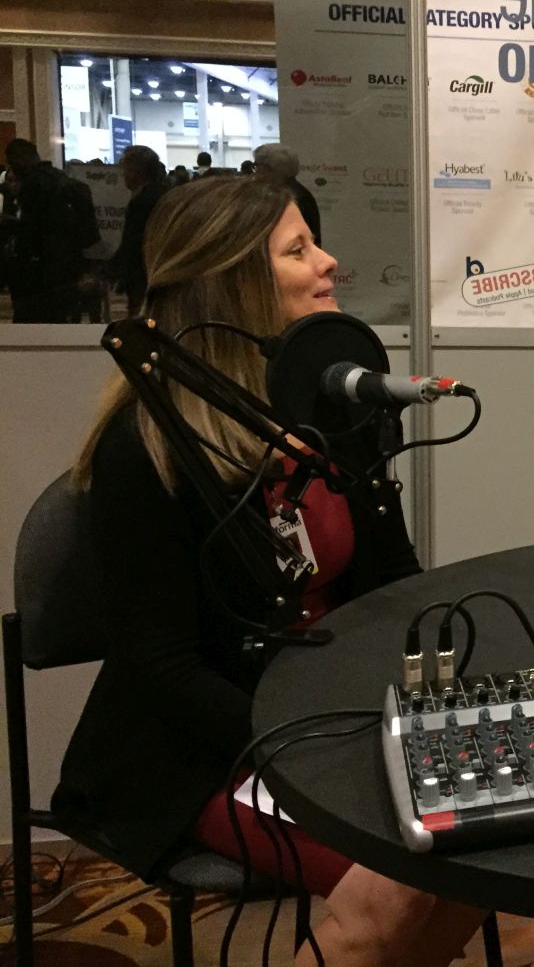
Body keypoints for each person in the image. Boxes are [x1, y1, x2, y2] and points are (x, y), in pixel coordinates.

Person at [56, 177, 487, 967]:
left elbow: (393, 580)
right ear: (234, 282)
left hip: (324, 723)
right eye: (298, 249)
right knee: (391, 885)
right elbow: (163, 668)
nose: (328, 262)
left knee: (482, 833)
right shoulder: (145, 450)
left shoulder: (327, 411)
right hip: (204, 749)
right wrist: (314, 742)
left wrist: (434, 695)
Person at [1, 138, 84, 322]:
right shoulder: (60, 178)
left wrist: (11, 225)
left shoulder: (34, 183)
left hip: (39, 270)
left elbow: (31, 229)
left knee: (30, 322)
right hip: (63, 267)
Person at [106, 144, 169, 316]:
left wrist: (107, 272)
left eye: (126, 170)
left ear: (136, 172)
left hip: (143, 275)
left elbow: (132, 243)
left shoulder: (141, 202)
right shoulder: (167, 195)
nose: (124, 176)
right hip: (164, 271)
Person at [253, 142, 322, 245]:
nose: (255, 172)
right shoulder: (296, 193)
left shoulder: (288, 197)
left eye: (256, 165)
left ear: (270, 168)